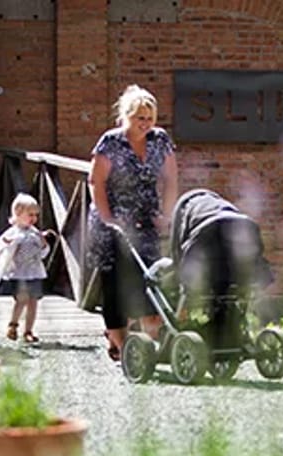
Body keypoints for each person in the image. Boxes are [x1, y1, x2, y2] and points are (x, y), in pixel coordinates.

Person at [88, 84, 178, 361]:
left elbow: (171, 179)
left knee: (150, 277)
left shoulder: (160, 140)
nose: (145, 123)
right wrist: (108, 219)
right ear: (127, 116)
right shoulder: (111, 142)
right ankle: (118, 340)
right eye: (140, 117)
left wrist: (167, 214)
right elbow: (96, 182)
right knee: (115, 281)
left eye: (149, 118)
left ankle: (148, 340)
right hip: (112, 223)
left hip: (146, 221)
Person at [0, 193, 49, 344]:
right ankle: (13, 324)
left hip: (35, 272)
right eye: (30, 214)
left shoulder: (35, 233)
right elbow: (1, 244)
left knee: (33, 301)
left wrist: (43, 244)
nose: (33, 218)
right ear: (18, 213)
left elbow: (43, 253)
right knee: (22, 300)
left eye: (36, 215)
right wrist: (7, 242)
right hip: (20, 272)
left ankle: (28, 330)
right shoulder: (14, 232)